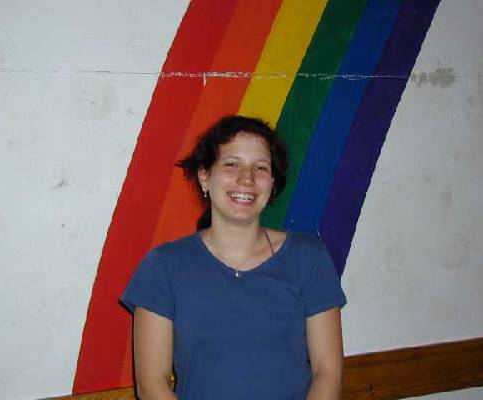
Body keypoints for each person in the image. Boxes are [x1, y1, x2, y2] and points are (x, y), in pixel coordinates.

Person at [120, 115, 346, 400]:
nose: (247, 179)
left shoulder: (309, 258)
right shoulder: (163, 266)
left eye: (260, 168)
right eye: (232, 164)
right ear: (205, 176)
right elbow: (152, 385)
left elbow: (328, 372)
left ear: (272, 183)